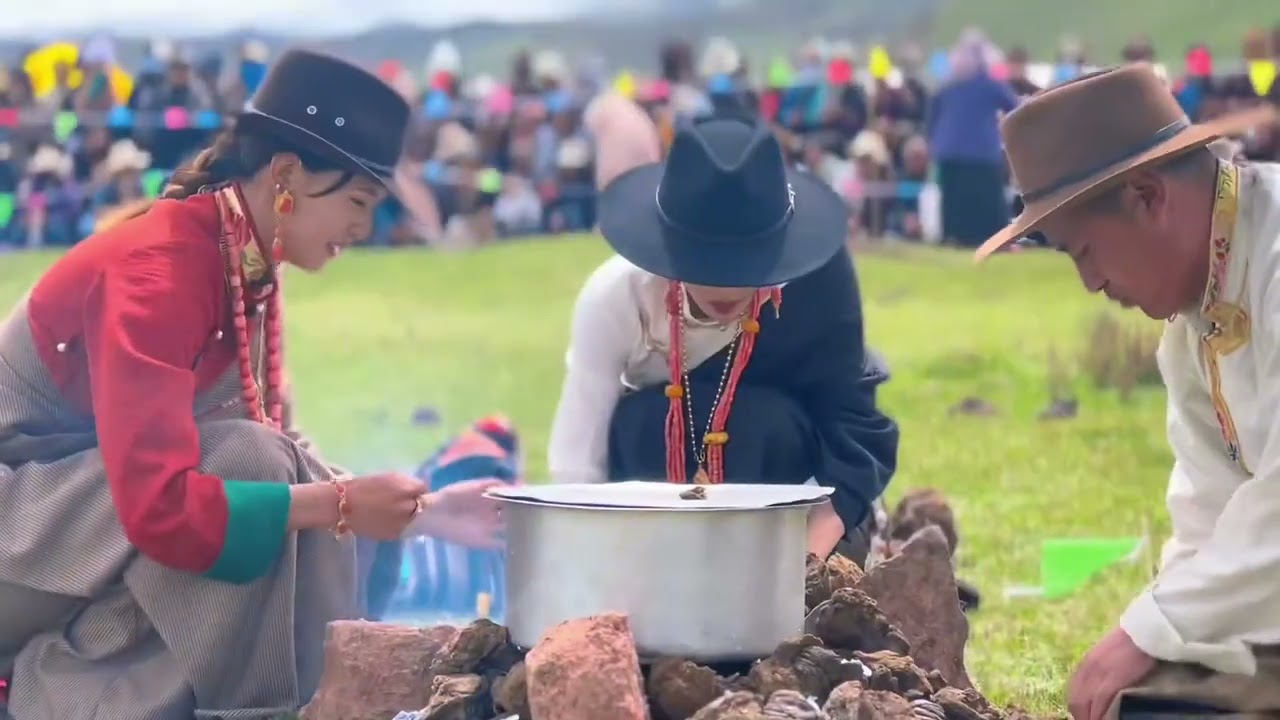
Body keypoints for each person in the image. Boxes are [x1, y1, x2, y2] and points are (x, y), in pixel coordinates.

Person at [0, 49, 501, 720]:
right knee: (252, 465)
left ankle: (307, 697)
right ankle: (59, 690)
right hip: (22, 539)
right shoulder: (158, 270)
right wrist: (345, 503)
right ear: (287, 176)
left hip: (79, 526)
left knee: (268, 464)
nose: (364, 227)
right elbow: (161, 507)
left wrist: (425, 513)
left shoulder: (244, 261)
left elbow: (288, 452)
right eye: (358, 201)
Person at [973, 63, 1278, 720]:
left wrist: (1154, 625)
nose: (1089, 283)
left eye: (1083, 251)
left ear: (1146, 196)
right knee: (1141, 705)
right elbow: (1208, 514)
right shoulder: (1193, 325)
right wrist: (1158, 636)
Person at [547, 113, 899, 561]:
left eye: (749, 263)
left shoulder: (817, 278)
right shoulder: (616, 299)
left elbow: (848, 418)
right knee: (641, 419)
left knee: (763, 420)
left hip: (788, 501)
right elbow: (579, 463)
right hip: (649, 512)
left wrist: (804, 564)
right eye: (705, 262)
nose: (727, 286)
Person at [926, 32, 1018, 247]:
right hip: (981, 153)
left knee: (953, 199)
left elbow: (932, 116)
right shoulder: (990, 84)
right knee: (987, 198)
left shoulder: (948, 85)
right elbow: (1014, 108)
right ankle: (993, 239)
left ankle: (953, 237)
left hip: (948, 151)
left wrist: (933, 141)